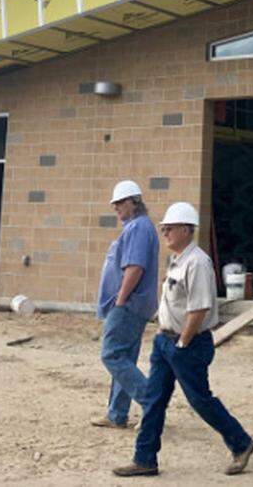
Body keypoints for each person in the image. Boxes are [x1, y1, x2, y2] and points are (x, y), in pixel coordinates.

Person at [113, 202, 253, 478]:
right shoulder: (178, 260)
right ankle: (144, 459)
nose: (164, 232)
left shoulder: (198, 262)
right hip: (165, 341)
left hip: (187, 344)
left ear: (186, 230)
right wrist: (162, 330)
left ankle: (242, 443)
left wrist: (182, 342)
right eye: (164, 228)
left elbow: (199, 308)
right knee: (153, 400)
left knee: (200, 400)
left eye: (169, 228)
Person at [93, 180, 160, 429]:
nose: (116, 207)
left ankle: (152, 404)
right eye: (114, 204)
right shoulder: (136, 227)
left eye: (120, 202)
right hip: (132, 304)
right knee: (125, 359)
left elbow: (135, 267)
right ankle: (116, 414)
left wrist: (120, 300)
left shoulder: (138, 229)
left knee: (111, 355)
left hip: (129, 305)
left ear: (134, 202)